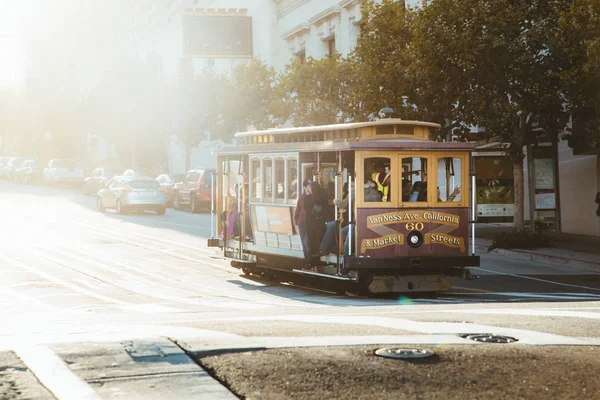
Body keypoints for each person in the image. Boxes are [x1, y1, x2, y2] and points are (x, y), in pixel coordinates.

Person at [316, 180, 355, 256]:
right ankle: (328, 248)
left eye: (352, 186)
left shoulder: (352, 194)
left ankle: (325, 249)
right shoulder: (349, 195)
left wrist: (335, 201)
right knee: (332, 226)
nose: (351, 188)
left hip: (350, 222)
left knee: (332, 226)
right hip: (347, 221)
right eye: (350, 186)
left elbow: (342, 204)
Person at [306, 181, 328, 265]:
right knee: (317, 242)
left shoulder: (311, 198)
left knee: (313, 243)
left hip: (313, 224)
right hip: (319, 223)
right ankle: (316, 262)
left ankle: (313, 262)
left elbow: (313, 210)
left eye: (310, 187)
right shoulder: (322, 196)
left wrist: (312, 211)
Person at [294, 179, 312, 263]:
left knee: (308, 241)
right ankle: (307, 260)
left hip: (310, 222)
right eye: (309, 186)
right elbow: (298, 208)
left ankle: (309, 260)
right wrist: (296, 219)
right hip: (302, 222)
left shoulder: (314, 197)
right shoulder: (302, 197)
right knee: (304, 241)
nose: (311, 187)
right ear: (305, 187)